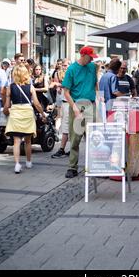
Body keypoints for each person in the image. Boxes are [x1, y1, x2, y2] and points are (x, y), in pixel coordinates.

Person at [62, 46, 99, 178]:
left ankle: (95, 165)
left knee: (93, 137)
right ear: (83, 55)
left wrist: (99, 98)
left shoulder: (92, 68)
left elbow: (95, 84)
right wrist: (74, 107)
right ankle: (72, 167)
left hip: (91, 105)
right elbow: (66, 92)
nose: (91, 60)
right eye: (90, 57)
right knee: (75, 138)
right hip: (77, 105)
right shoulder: (71, 69)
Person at [3, 64, 47, 174]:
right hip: (27, 113)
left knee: (16, 141)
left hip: (16, 113)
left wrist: (5, 111)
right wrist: (42, 114)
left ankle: (17, 164)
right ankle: (28, 162)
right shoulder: (31, 87)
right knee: (28, 140)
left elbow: (7, 105)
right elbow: (36, 103)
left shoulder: (10, 87)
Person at [51, 59, 71, 158]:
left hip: (69, 103)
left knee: (66, 127)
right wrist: (58, 87)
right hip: (63, 102)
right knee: (65, 126)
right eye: (63, 65)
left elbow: (68, 86)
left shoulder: (71, 74)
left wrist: (58, 85)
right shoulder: (60, 74)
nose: (64, 67)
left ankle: (63, 149)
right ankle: (67, 149)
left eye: (66, 65)